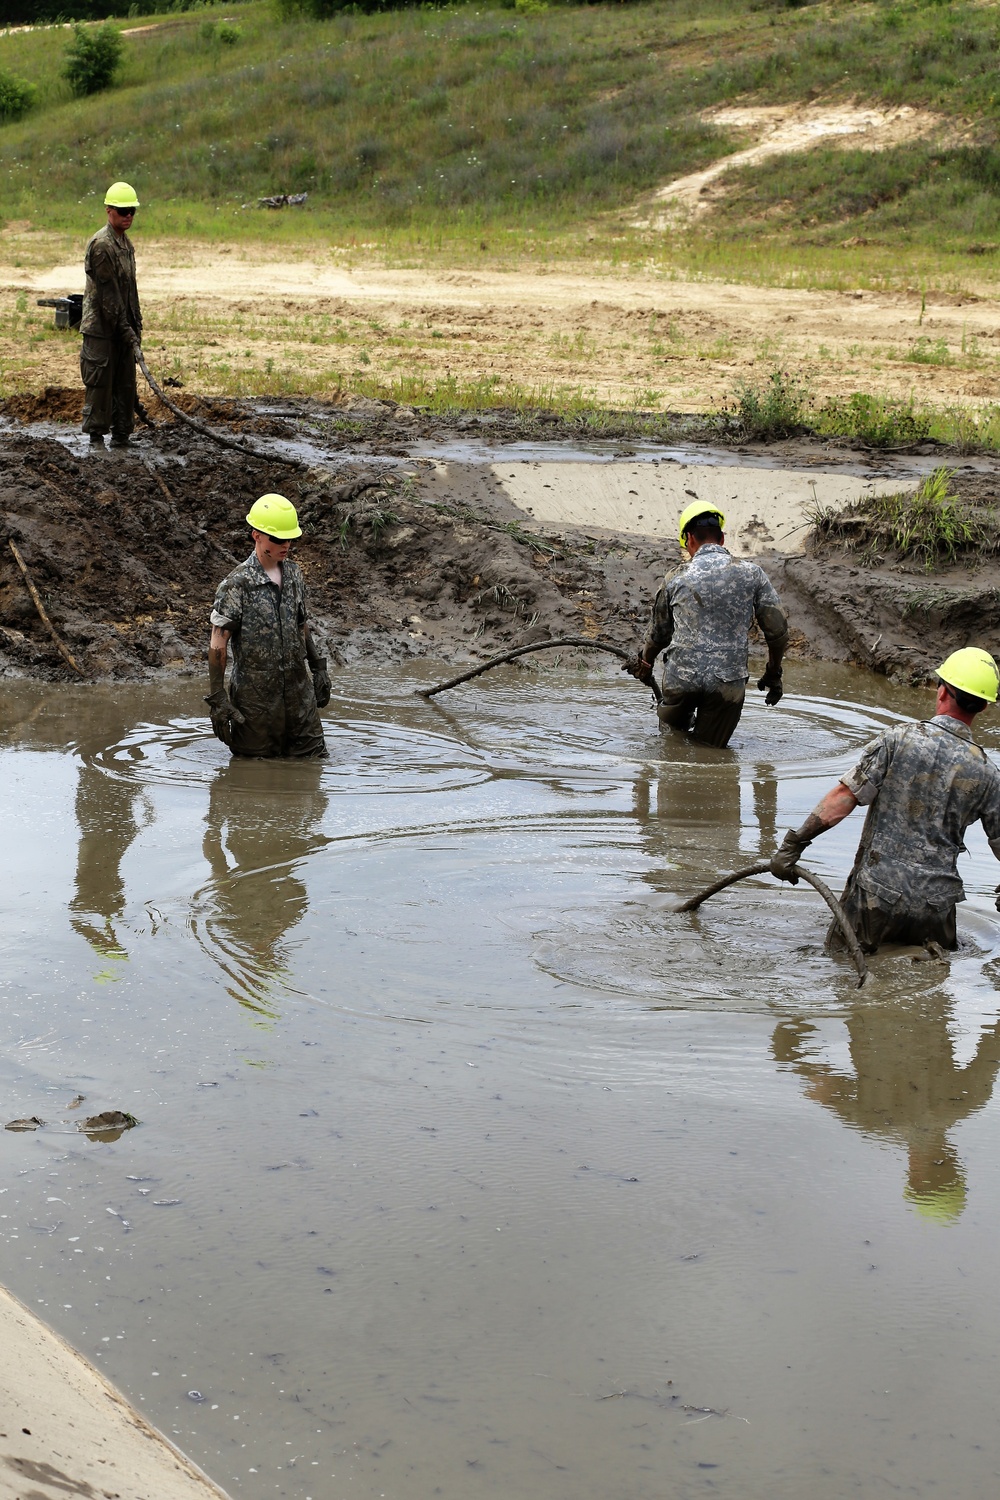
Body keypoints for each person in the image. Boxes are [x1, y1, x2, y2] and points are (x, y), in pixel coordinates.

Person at [770, 648, 1000, 953]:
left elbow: (843, 798)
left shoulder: (898, 739)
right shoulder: (988, 772)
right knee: (930, 990)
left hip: (875, 897)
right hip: (937, 908)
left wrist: (793, 845)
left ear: (942, 690)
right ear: (983, 707)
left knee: (842, 968)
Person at [623, 501, 788, 748]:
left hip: (681, 679)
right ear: (722, 538)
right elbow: (777, 633)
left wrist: (645, 662)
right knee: (711, 753)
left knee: (671, 748)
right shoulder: (753, 574)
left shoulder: (675, 576)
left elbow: (659, 634)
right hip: (728, 683)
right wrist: (773, 673)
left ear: (689, 539)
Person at [206, 494, 331, 759]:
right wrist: (218, 698)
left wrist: (317, 667)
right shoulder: (236, 585)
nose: (285, 545)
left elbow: (301, 624)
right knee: (252, 767)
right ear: (256, 536)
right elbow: (218, 643)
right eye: (277, 539)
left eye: (290, 539)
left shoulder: (294, 575)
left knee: (314, 762)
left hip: (299, 692)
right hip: (256, 700)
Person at [80, 182, 143, 451]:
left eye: (132, 211)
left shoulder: (125, 245)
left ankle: (122, 436)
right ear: (109, 211)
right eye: (122, 210)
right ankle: (96, 439)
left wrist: (135, 326)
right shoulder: (101, 246)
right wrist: (126, 330)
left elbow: (130, 290)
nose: (128, 215)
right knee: (100, 383)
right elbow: (109, 297)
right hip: (101, 328)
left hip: (123, 324)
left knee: (125, 384)